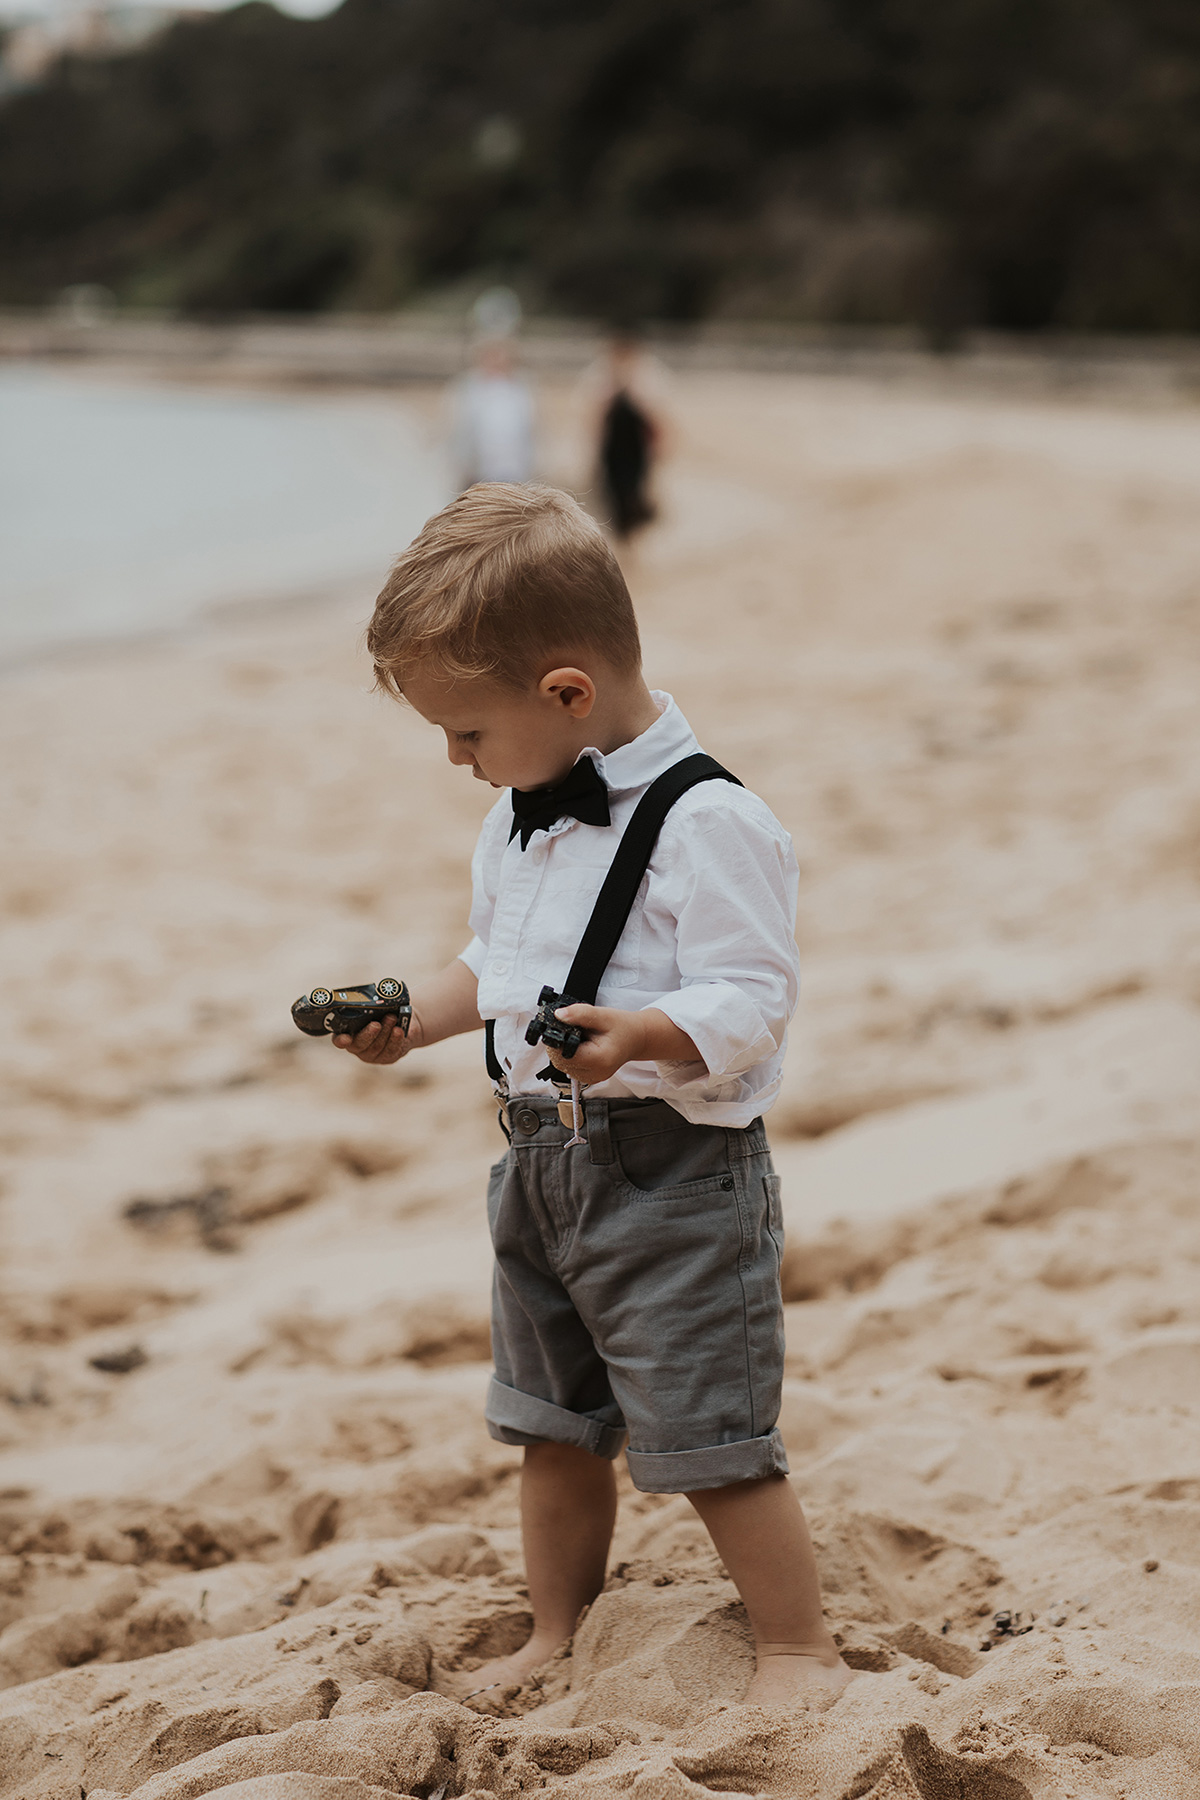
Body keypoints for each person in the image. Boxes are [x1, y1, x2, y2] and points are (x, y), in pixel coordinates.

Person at [335, 483, 853, 1713]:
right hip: (538, 1167)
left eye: (466, 733)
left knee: (712, 1434)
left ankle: (796, 1645)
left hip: (672, 1171)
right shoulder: (522, 821)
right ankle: (555, 1630)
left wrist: (643, 1033)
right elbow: (496, 972)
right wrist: (414, 1015)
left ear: (566, 692)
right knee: (549, 1420)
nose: (457, 763)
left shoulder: (712, 821)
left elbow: (753, 997)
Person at [584, 332, 669, 540]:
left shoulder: (649, 375)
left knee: (636, 497)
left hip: (637, 452)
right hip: (612, 452)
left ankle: (632, 540)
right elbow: (593, 418)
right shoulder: (600, 375)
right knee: (612, 498)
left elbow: (658, 417)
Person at [450, 337, 536, 490]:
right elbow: (460, 430)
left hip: (514, 469)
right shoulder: (470, 389)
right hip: (480, 470)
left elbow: (530, 430)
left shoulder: (520, 389)